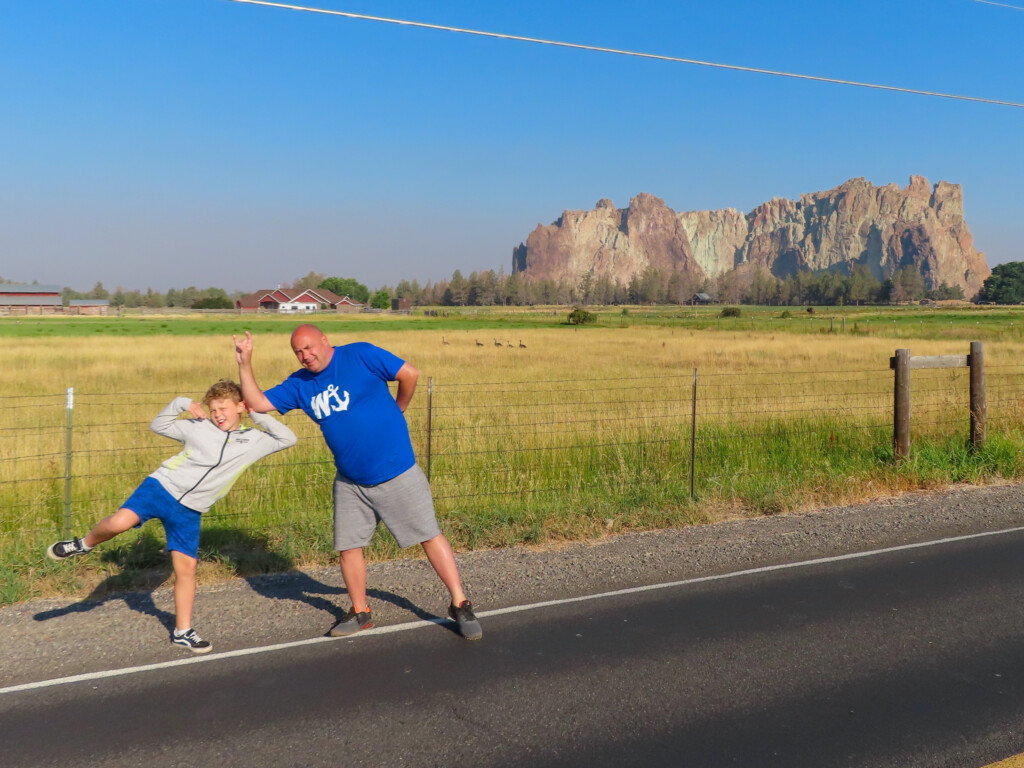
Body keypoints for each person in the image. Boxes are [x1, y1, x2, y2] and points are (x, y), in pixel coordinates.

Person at [233, 324, 482, 640]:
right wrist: (244, 361)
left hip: (397, 470)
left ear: (325, 340)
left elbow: (410, 373)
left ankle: (460, 603)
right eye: (298, 351)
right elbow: (256, 403)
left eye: (309, 347)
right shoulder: (300, 384)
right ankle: (360, 612)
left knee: (429, 535)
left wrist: (398, 407)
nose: (305, 355)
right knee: (349, 547)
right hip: (350, 480)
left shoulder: (360, 354)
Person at [47, 380, 297, 654]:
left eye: (223, 408)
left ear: (240, 407)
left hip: (190, 509)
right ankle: (83, 544)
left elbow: (288, 439)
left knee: (186, 570)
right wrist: (181, 403)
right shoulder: (198, 426)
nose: (217, 415)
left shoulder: (254, 440)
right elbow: (159, 425)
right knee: (119, 523)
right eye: (212, 409)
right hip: (160, 488)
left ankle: (183, 631)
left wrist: (256, 411)